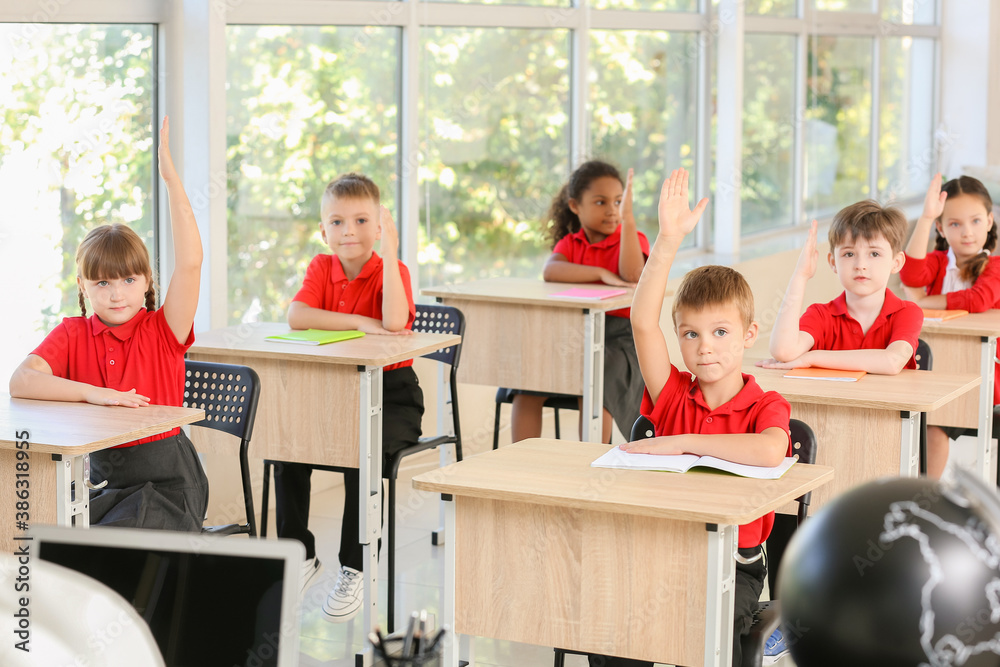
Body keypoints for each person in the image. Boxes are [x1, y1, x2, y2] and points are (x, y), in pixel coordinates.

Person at [588, 168, 791, 667]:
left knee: (695, 634)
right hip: (664, 551)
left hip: (732, 567)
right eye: (691, 334)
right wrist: (668, 240)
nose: (705, 349)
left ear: (749, 334)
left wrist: (680, 444)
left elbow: (769, 449)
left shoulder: (766, 405)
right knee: (612, 640)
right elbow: (640, 321)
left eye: (721, 332)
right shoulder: (673, 392)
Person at [8, 117, 209, 531]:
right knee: (47, 535)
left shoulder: (163, 331)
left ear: (147, 280)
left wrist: (172, 182)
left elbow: (190, 262)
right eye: (103, 282)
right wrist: (95, 395)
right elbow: (21, 381)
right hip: (105, 486)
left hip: (170, 483)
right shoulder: (72, 333)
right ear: (83, 285)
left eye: (129, 280)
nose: (117, 294)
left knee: (113, 551)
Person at [272, 172, 423, 623]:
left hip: (391, 395)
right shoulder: (321, 268)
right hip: (333, 394)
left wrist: (393, 253)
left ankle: (354, 566)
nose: (349, 231)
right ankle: (299, 554)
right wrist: (361, 323)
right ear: (324, 231)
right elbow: (296, 315)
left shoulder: (391, 271)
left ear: (379, 226)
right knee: (288, 447)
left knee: (363, 453)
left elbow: (395, 322)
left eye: (361, 220)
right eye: (337, 222)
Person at [510, 160, 650, 444]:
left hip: (621, 339)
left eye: (618, 202)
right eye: (600, 202)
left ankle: (591, 461)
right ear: (575, 206)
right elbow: (551, 270)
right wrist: (600, 273)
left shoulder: (633, 239)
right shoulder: (571, 244)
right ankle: (519, 463)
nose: (612, 210)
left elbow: (633, 274)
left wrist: (630, 219)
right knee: (529, 378)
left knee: (599, 378)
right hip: (575, 334)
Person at [899, 173, 999, 479]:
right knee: (919, 421)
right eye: (954, 224)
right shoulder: (940, 261)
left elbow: (978, 299)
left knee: (935, 423)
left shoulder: (995, 266)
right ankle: (913, 493)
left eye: (975, 221)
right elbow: (911, 275)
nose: (967, 232)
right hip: (938, 370)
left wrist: (922, 302)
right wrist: (927, 218)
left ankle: (929, 497)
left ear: (990, 221)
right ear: (942, 228)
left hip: (985, 377)